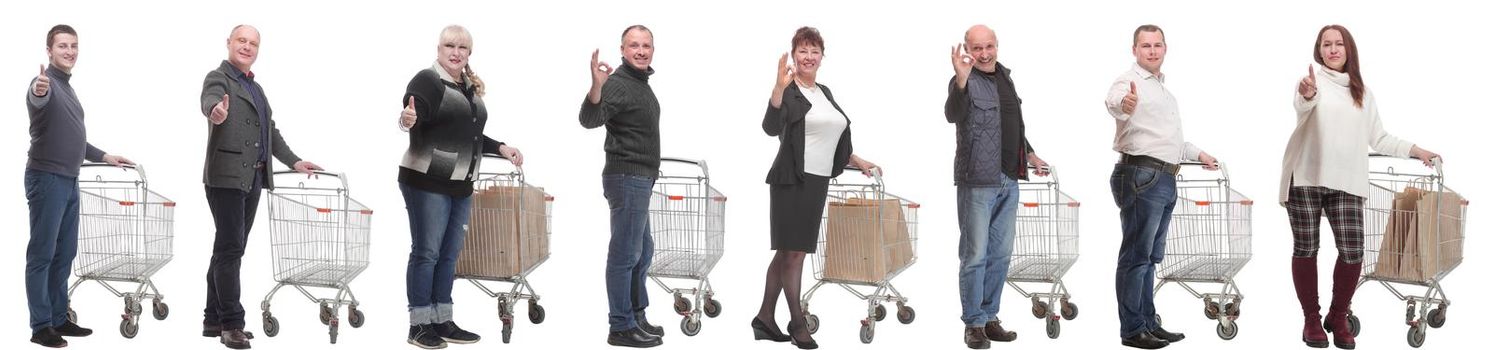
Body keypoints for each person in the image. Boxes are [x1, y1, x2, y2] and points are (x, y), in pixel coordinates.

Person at [1281, 24, 1440, 350]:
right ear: (1319, 50)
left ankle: (1338, 315)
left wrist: (1417, 150)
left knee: (1353, 253)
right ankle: (1311, 318)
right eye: (1327, 44)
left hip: (1346, 182)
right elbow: (1303, 104)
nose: (1333, 49)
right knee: (1306, 248)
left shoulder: (1363, 93)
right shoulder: (1311, 83)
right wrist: (1308, 94)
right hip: (1307, 178)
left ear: (1349, 50)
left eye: (1339, 44)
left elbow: (1380, 139)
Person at [753, 26, 880, 350]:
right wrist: (778, 89)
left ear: (822, 56)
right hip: (793, 180)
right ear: (793, 55)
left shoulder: (823, 91)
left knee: (787, 252)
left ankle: (765, 318)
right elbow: (770, 127)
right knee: (794, 254)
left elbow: (833, 135)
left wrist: (856, 160)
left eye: (814, 51)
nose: (808, 57)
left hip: (818, 180)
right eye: (802, 51)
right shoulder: (789, 90)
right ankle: (797, 323)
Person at [397, 24, 524, 349]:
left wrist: (502, 147)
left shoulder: (467, 87)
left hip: (461, 183)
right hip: (428, 180)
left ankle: (442, 319)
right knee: (427, 252)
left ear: (469, 54)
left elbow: (471, 136)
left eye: (462, 48)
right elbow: (414, 112)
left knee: (450, 255)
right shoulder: (427, 80)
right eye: (449, 46)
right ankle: (419, 325)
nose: (455, 52)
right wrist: (407, 119)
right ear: (439, 49)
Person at [199, 24, 323, 350]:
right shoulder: (219, 77)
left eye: (253, 43)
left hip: (253, 178)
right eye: (242, 40)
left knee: (227, 248)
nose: (247, 46)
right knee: (231, 250)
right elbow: (210, 101)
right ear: (229, 43)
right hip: (226, 178)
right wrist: (216, 111)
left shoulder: (256, 88)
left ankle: (213, 318)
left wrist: (294, 161)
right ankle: (231, 324)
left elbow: (270, 132)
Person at [1102, 24, 1219, 350]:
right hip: (1141, 175)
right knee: (1136, 257)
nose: (1152, 51)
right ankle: (1132, 329)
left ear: (1165, 49)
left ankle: (1149, 322)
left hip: (1164, 176)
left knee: (1150, 258)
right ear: (1134, 50)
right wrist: (1124, 104)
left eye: (1157, 45)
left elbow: (1170, 141)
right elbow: (1113, 102)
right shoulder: (1129, 81)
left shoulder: (1165, 92)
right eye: (1145, 46)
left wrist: (1199, 154)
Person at [24, 24, 135, 348]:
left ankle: (60, 318)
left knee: (65, 254)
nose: (69, 51)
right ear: (49, 51)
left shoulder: (67, 87)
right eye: (62, 46)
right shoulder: (46, 83)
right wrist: (39, 90)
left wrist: (105, 156)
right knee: (42, 254)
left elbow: (73, 136)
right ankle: (41, 326)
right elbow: (37, 98)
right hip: (46, 178)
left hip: (70, 179)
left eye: (73, 45)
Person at [944, 24, 1049, 349]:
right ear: (967, 49)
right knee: (975, 255)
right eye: (977, 48)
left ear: (997, 46)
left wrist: (1030, 154)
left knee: (1000, 255)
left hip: (1010, 176)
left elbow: (1011, 122)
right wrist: (960, 79)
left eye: (989, 46)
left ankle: (990, 317)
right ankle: (973, 323)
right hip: (978, 180)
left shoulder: (1004, 76)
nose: (984, 53)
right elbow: (952, 114)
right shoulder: (964, 80)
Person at [579, 25, 666, 348]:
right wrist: (596, 87)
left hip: (640, 178)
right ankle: (621, 325)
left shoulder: (639, 84)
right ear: (622, 50)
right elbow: (589, 119)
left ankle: (635, 314)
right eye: (634, 45)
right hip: (626, 178)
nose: (641, 51)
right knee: (625, 254)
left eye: (646, 45)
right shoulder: (617, 83)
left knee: (642, 252)